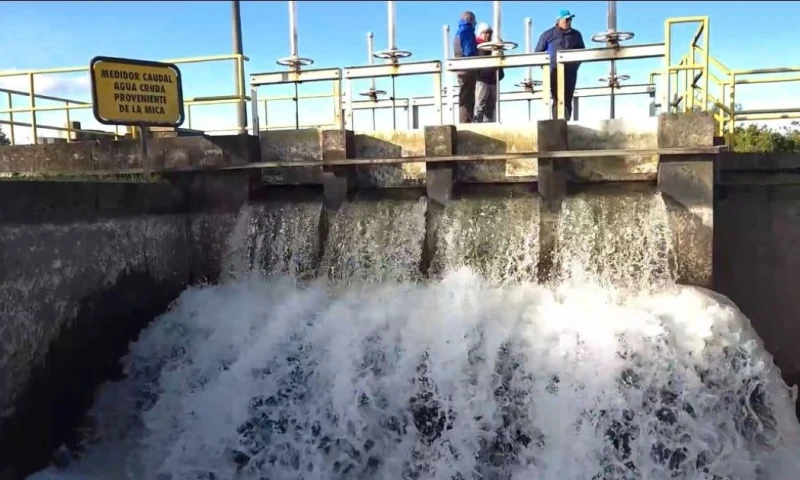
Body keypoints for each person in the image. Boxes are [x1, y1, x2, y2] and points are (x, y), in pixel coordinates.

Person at [534, 9, 585, 120]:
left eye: (570, 19)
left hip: (570, 72)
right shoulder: (548, 35)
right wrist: (547, 69)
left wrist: (574, 66)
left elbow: (582, 53)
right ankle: (557, 124)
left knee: (567, 98)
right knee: (557, 98)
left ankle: (566, 124)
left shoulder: (576, 35)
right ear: (558, 21)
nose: (568, 22)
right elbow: (537, 54)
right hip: (554, 72)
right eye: (566, 19)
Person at [474, 23, 505, 123]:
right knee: (480, 104)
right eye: (485, 32)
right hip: (482, 79)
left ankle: (489, 127)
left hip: (492, 80)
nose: (488, 35)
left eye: (490, 33)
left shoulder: (493, 47)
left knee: (490, 107)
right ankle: (477, 125)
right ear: (480, 33)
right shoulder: (477, 46)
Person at [454, 11, 478, 123]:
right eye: (474, 21)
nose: (475, 24)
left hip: (460, 68)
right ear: (469, 19)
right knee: (467, 97)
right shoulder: (467, 31)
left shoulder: (459, 31)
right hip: (467, 68)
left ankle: (464, 122)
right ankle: (466, 124)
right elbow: (469, 51)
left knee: (464, 95)